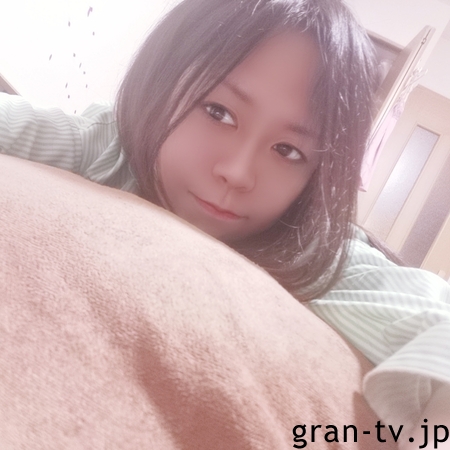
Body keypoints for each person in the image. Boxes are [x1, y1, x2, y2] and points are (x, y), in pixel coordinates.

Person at [0, 0, 449, 448]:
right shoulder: (109, 149)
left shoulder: (312, 249)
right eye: (218, 112)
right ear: (162, 80)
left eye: (288, 150)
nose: (237, 172)